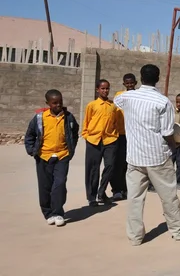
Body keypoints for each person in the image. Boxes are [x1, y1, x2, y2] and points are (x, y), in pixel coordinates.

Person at [114, 64, 180, 246]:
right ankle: (178, 230)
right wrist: (175, 147)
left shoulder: (127, 97)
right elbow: (167, 132)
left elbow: (117, 101)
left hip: (134, 158)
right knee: (168, 196)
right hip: (157, 157)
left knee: (134, 199)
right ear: (157, 79)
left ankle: (135, 237)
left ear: (140, 78)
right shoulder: (163, 102)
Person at [24, 90, 79, 227]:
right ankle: (48, 213)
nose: (58, 105)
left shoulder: (68, 117)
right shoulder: (39, 118)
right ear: (47, 103)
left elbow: (74, 133)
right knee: (45, 186)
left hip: (62, 156)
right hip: (43, 156)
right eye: (54, 103)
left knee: (59, 184)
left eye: (60, 102)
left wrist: (71, 149)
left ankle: (58, 212)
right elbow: (29, 136)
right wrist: (32, 151)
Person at [82, 79, 119, 206]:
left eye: (107, 88)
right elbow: (86, 122)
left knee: (110, 166)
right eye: (102, 88)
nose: (105, 91)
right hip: (93, 140)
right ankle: (92, 197)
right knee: (93, 169)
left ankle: (101, 192)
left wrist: (115, 135)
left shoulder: (113, 106)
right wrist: (86, 136)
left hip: (110, 140)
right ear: (97, 89)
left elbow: (115, 123)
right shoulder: (92, 105)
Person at [110, 73, 137, 201]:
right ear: (124, 84)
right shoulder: (119, 96)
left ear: (136, 83)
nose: (130, 85)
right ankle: (117, 190)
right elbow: (112, 113)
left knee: (130, 164)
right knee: (118, 164)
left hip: (134, 136)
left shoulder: (139, 96)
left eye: (132, 82)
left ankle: (127, 189)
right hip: (120, 135)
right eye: (127, 83)